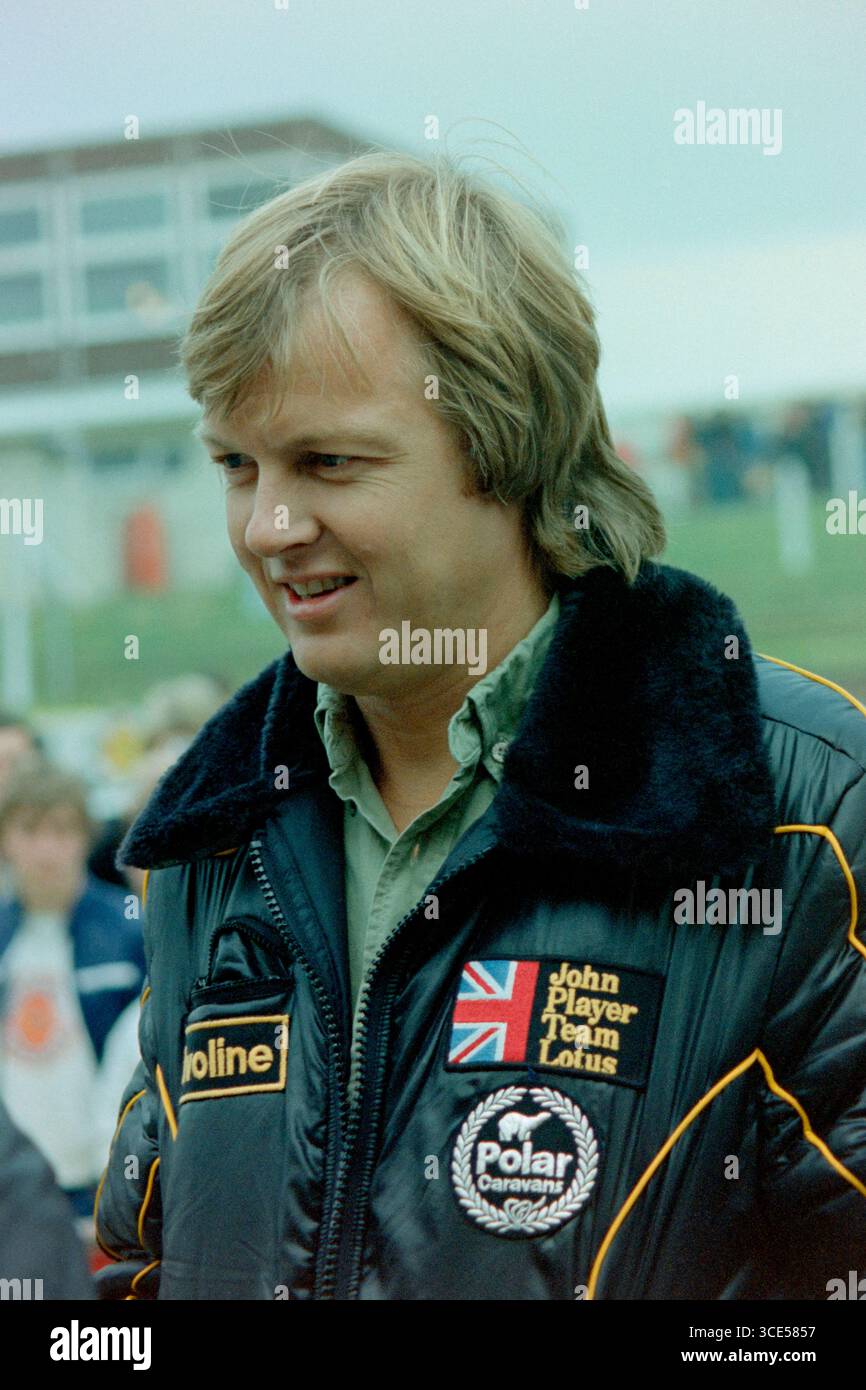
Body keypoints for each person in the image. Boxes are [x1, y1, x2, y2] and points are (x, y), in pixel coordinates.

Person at [94, 151, 866, 1301]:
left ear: (506, 447)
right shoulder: (208, 841)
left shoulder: (798, 810)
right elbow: (138, 1275)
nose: (265, 524)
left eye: (327, 462)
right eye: (234, 464)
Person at [0, 759, 145, 1226]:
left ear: (84, 838)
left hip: (92, 1184)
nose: (47, 850)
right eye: (30, 831)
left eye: (62, 832)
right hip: (10, 1183)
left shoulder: (129, 932)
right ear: (5, 840)